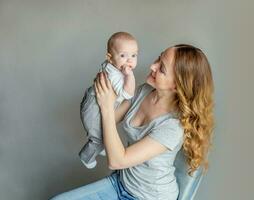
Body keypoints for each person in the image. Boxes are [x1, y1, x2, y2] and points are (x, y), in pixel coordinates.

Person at [51, 44, 214, 200]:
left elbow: (117, 161)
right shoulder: (144, 90)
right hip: (120, 183)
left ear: (177, 86)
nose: (153, 66)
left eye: (162, 68)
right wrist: (103, 90)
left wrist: (107, 106)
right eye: (158, 58)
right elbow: (105, 122)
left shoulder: (173, 127)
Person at [79, 32, 138, 169]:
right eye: (123, 55)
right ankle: (86, 157)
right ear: (110, 58)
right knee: (98, 136)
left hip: (95, 101)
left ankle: (103, 146)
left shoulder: (112, 66)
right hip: (93, 107)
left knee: (106, 129)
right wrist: (129, 76)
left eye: (133, 55)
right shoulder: (116, 75)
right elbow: (128, 94)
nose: (129, 60)